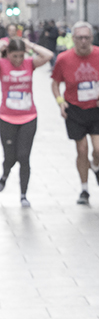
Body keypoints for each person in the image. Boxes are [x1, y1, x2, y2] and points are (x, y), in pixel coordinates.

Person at [51, 21, 99, 206]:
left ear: (91, 38)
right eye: (79, 38)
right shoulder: (64, 59)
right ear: (73, 39)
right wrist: (60, 103)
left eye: (86, 38)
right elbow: (55, 84)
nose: (83, 41)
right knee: (81, 150)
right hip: (74, 109)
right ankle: (84, 190)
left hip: (97, 108)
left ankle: (96, 166)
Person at [0, 38, 54, 207]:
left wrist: (30, 45)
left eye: (21, 56)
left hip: (28, 117)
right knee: (10, 157)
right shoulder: (2, 64)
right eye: (14, 56)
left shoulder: (30, 63)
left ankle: (23, 194)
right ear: (8, 54)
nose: (17, 60)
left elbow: (49, 55)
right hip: (6, 118)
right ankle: (5, 175)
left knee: (23, 157)